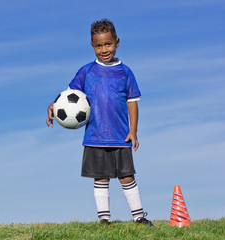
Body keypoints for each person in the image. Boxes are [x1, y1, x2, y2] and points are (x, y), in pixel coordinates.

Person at [46, 19, 152, 226]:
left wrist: (134, 131)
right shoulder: (86, 71)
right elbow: (70, 95)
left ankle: (139, 217)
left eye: (108, 44)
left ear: (117, 42)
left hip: (121, 136)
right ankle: (105, 220)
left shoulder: (126, 72)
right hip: (95, 136)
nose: (104, 49)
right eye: (98, 45)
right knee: (101, 178)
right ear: (92, 46)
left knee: (127, 176)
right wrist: (53, 103)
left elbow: (133, 102)